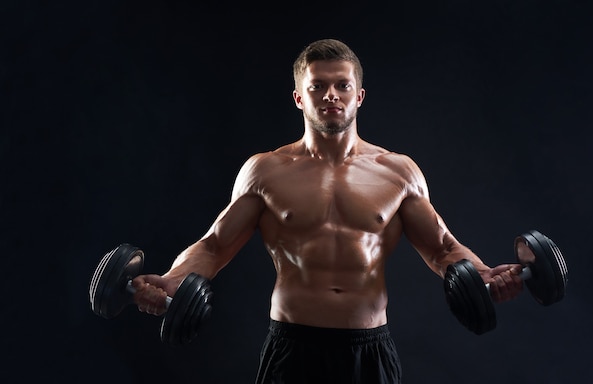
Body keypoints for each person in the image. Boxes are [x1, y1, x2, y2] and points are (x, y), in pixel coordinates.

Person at [131, 38, 524, 383]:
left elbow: (442, 248)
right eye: (318, 86)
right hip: (292, 347)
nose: (331, 94)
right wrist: (173, 278)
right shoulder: (265, 170)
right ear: (300, 97)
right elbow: (215, 246)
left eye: (342, 85)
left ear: (359, 96)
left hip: (368, 351)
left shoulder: (398, 171)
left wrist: (484, 274)